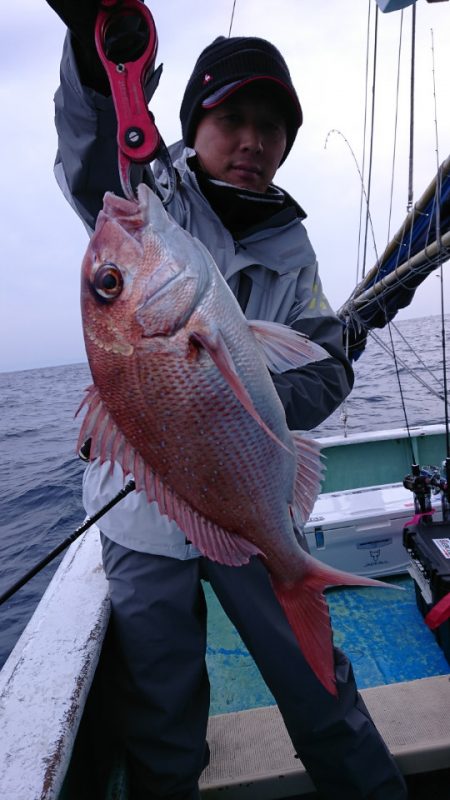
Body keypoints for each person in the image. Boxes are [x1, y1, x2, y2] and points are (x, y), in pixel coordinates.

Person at [46, 2, 407, 798]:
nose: (253, 141)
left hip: (253, 507)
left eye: (272, 127)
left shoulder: (292, 246)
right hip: (139, 523)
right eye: (232, 118)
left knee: (323, 695)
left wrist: (235, 384)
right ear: (191, 123)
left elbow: (321, 371)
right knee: (161, 716)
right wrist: (92, 51)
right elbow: (90, 150)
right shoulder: (147, 196)